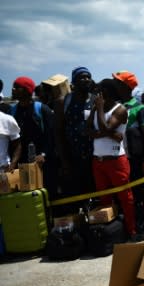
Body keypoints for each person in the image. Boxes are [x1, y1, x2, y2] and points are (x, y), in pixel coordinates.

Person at [86, 78, 137, 239]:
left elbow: (105, 127)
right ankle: (112, 233)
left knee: (125, 198)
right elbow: (87, 130)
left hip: (116, 161)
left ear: (106, 92)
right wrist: (111, 134)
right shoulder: (96, 109)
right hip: (98, 161)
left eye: (98, 91)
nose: (95, 94)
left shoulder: (120, 109)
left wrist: (100, 110)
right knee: (105, 199)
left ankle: (132, 231)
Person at [113, 71, 144, 231]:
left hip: (136, 158)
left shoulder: (139, 107)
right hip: (120, 158)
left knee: (142, 192)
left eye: (117, 82)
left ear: (125, 86)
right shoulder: (115, 106)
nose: (114, 84)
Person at [10, 76, 57, 196]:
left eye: (17, 87)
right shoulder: (13, 111)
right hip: (23, 163)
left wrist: (43, 154)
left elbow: (51, 135)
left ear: (26, 90)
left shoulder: (42, 109)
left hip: (43, 163)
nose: (13, 89)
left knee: (48, 193)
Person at [55, 67, 96, 199]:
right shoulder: (63, 102)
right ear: (73, 82)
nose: (86, 79)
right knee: (76, 194)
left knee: (95, 193)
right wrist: (64, 161)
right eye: (82, 77)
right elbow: (59, 133)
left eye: (88, 77)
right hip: (72, 157)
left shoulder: (96, 100)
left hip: (95, 156)